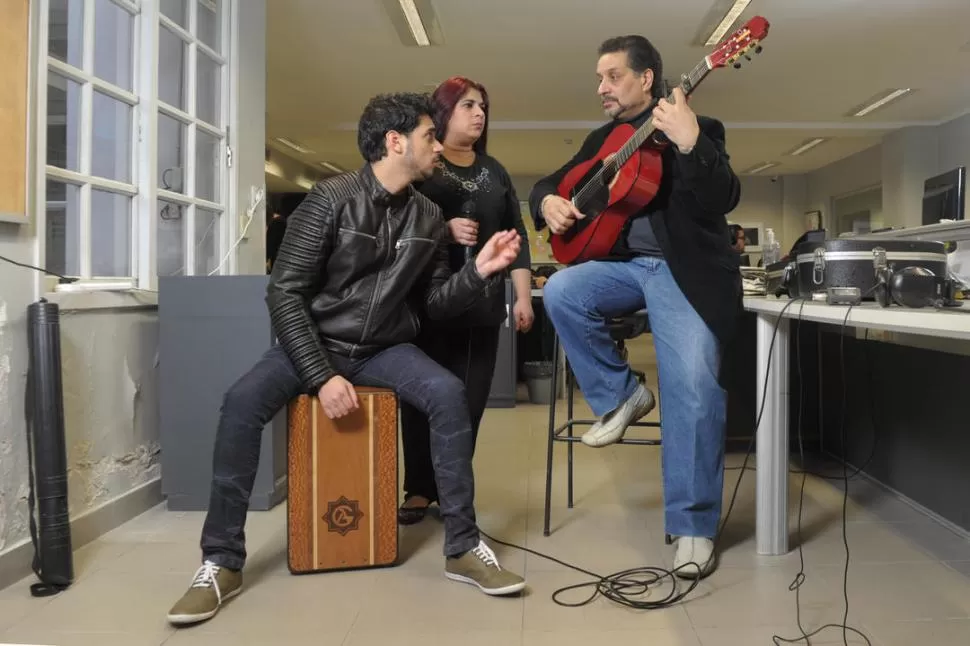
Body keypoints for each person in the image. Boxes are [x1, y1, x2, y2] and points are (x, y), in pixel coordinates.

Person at [167, 92, 527, 627]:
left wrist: (478, 272)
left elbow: (429, 303)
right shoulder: (329, 199)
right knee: (241, 402)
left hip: (384, 347)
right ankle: (221, 561)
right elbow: (284, 294)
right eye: (430, 136)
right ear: (395, 141)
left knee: (448, 394)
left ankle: (462, 547)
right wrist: (321, 374)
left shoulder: (427, 214)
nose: (437, 146)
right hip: (315, 344)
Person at [528, 35, 742, 580]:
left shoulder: (703, 128)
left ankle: (693, 527)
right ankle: (623, 395)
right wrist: (546, 200)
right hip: (624, 267)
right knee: (560, 291)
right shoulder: (604, 138)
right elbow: (553, 182)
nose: (601, 87)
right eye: (599, 78)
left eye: (612, 76)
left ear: (647, 79)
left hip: (682, 272)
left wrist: (691, 142)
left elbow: (723, 198)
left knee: (693, 382)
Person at [397, 75, 534, 525]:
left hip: (481, 306)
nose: (479, 113)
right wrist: (443, 228)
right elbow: (395, 227)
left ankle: (451, 487)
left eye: (483, 107)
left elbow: (518, 235)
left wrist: (523, 297)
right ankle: (418, 489)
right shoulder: (423, 166)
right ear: (443, 112)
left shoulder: (494, 171)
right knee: (419, 402)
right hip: (424, 307)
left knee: (468, 404)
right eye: (468, 105)